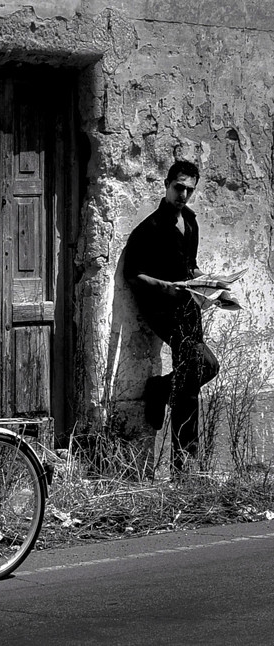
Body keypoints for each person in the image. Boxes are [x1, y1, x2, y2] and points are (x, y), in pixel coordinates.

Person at [123, 160, 219, 475]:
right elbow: (133, 275)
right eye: (179, 187)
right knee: (189, 383)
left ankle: (160, 390)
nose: (183, 195)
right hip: (163, 312)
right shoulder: (149, 228)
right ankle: (185, 465)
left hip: (189, 309)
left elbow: (190, 267)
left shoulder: (190, 223)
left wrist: (215, 287)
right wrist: (165, 286)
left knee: (207, 367)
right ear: (166, 184)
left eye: (189, 190)